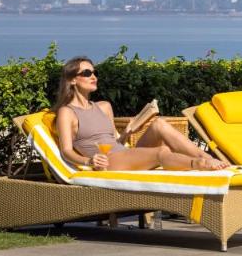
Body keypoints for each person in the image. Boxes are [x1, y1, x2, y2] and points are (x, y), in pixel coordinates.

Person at [52, 56, 227, 172]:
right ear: (72, 80)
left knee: (159, 124)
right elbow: (66, 150)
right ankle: (200, 164)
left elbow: (115, 142)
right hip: (108, 162)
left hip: (123, 154)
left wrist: (128, 132)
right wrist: (88, 161)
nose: (94, 77)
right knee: (161, 152)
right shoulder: (67, 112)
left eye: (95, 73)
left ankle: (206, 157)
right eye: (87, 73)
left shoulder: (104, 106)